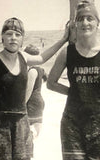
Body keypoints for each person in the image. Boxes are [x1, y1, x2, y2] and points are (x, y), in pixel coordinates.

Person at [0, 17, 69, 160]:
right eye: (9, 34)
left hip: (21, 123)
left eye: (18, 35)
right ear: (2, 37)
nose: (13, 38)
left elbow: (42, 58)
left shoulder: (24, 57)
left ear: (22, 39)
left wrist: (63, 39)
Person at [47, 2, 100, 160]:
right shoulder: (67, 53)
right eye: (81, 19)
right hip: (72, 124)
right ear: (75, 24)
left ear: (97, 23)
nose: (85, 23)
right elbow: (51, 83)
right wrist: (74, 92)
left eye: (90, 18)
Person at [24, 44, 47, 139]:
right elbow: (44, 80)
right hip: (39, 100)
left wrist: (22, 103)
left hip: (32, 102)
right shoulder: (41, 69)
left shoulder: (32, 71)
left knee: (28, 130)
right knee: (36, 131)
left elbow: (29, 90)